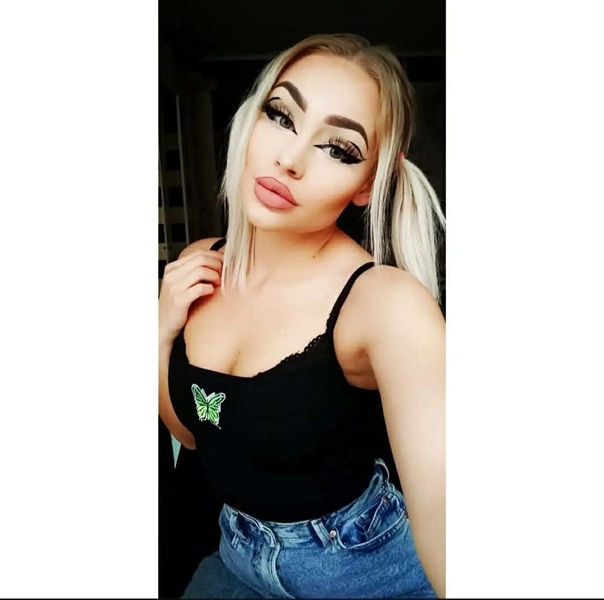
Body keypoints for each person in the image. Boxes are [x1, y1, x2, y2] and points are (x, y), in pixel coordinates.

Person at [159, 32, 445, 598]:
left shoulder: (385, 303)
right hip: (237, 557)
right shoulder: (198, 264)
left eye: (338, 149)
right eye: (282, 115)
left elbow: (447, 502)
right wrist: (159, 332)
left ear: (368, 184)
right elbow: (193, 435)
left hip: (367, 574)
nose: (288, 160)